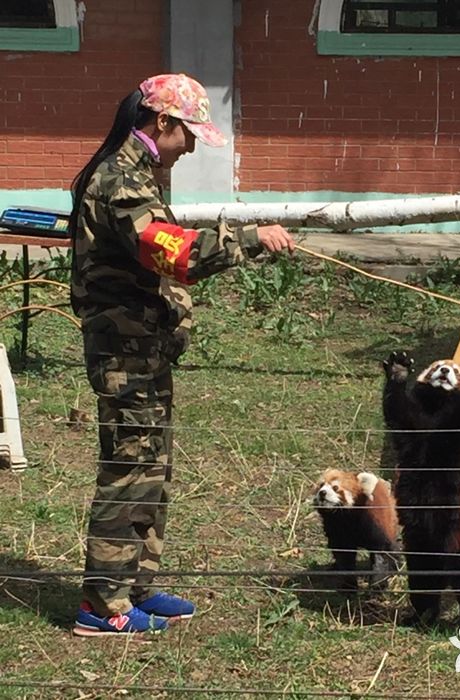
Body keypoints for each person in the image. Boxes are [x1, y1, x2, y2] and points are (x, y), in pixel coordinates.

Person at [69, 73, 295, 636]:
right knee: (127, 471)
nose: (192, 146)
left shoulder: (143, 173)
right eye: (188, 133)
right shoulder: (120, 180)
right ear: (161, 123)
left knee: (152, 466)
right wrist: (248, 238)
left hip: (145, 350)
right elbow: (173, 253)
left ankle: (136, 584)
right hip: (124, 354)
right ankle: (102, 606)